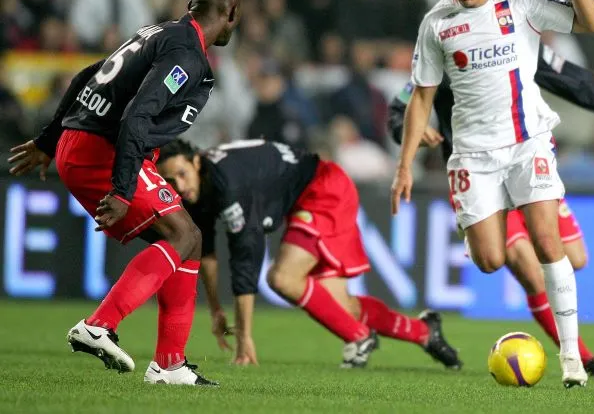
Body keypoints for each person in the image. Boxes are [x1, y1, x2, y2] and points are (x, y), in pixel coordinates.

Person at [391, 0, 594, 387]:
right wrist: (404, 165)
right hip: (474, 155)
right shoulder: (437, 22)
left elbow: (592, 22)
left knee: (548, 244)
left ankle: (571, 358)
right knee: (489, 259)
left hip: (528, 142)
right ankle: (491, 215)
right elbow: (421, 97)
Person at [7, 0, 242, 385]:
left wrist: (49, 140)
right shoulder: (187, 54)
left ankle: (170, 364)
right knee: (184, 235)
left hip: (80, 140)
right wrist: (123, 186)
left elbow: (87, 76)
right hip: (101, 149)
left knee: (188, 239)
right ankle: (100, 325)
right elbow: (137, 116)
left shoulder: (157, 33)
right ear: (231, 14)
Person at [389, 44, 594, 379]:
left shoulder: (518, 37)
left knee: (575, 257)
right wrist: (406, 131)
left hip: (526, 161)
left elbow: (574, 81)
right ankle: (581, 358)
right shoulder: (447, 45)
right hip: (478, 173)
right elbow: (400, 107)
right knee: (527, 270)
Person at [156, 139, 462, 369]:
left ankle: (359, 337)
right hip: (310, 195)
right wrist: (215, 310)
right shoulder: (202, 187)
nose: (179, 186)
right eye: (171, 181)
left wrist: (244, 337)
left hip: (323, 188)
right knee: (342, 307)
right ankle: (424, 332)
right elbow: (206, 253)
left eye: (182, 174)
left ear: (197, 162)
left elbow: (245, 259)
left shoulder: (228, 183)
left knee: (282, 278)